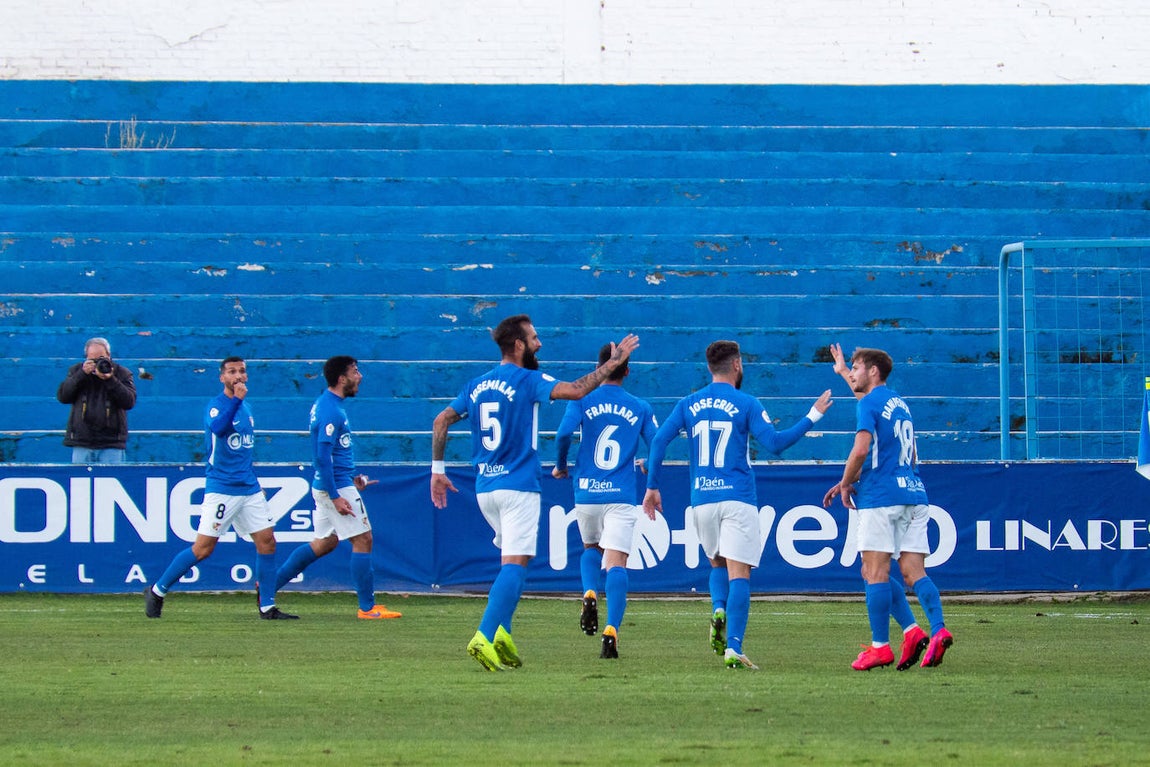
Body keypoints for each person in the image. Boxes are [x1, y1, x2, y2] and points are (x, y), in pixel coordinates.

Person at [431, 314, 639, 671]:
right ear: (518, 345)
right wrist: (612, 364)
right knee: (515, 566)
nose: (539, 344)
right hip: (518, 488)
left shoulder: (476, 385)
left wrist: (437, 471)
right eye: (534, 338)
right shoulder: (528, 379)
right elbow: (575, 390)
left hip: (485, 489)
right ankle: (483, 635)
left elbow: (441, 420)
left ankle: (503, 635)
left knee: (511, 566)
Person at [642, 340, 832, 670]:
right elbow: (774, 444)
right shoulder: (746, 403)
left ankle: (718, 608)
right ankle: (734, 647)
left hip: (702, 500)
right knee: (740, 573)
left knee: (717, 564)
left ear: (710, 368)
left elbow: (658, 440)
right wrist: (812, 415)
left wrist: (652, 486)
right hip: (737, 498)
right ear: (738, 365)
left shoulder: (689, 403)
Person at [822, 346, 954, 671]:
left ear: (874, 371)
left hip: (881, 496)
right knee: (912, 572)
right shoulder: (898, 404)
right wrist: (840, 371)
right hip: (914, 494)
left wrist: (844, 482)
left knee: (874, 572)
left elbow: (862, 448)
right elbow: (865, 401)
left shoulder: (869, 403)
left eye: (855, 368)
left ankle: (881, 646)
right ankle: (932, 631)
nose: (851, 373)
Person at [145, 356, 297, 620]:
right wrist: (236, 399)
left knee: (267, 541)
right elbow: (218, 428)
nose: (238, 375)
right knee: (203, 548)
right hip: (223, 487)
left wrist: (255, 482)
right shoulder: (217, 406)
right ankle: (158, 590)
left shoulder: (246, 408)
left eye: (242, 371)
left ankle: (267, 607)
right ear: (222, 377)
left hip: (248, 487)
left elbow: (243, 451)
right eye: (231, 372)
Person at [272, 356, 401, 620]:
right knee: (363, 539)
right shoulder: (331, 410)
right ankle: (367, 608)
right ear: (342, 379)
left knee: (324, 543)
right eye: (355, 371)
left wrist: (353, 481)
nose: (360, 376)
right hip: (335, 487)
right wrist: (336, 495)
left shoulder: (328, 405)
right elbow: (322, 456)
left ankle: (268, 587)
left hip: (335, 483)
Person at [552, 343, 659, 659]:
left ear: (600, 367)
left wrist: (561, 465)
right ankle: (611, 631)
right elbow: (657, 445)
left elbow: (562, 435)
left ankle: (588, 592)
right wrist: (648, 466)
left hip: (587, 492)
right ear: (627, 371)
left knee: (590, 548)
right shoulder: (640, 406)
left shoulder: (582, 399)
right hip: (621, 495)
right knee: (617, 562)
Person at [56, 336, 137, 464]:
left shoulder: (122, 373)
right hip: (82, 440)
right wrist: (81, 375)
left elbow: (129, 402)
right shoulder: (76, 371)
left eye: (101, 359)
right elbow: (63, 397)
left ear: (109, 355)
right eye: (93, 359)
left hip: (111, 442)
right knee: (80, 481)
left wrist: (110, 379)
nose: (97, 363)